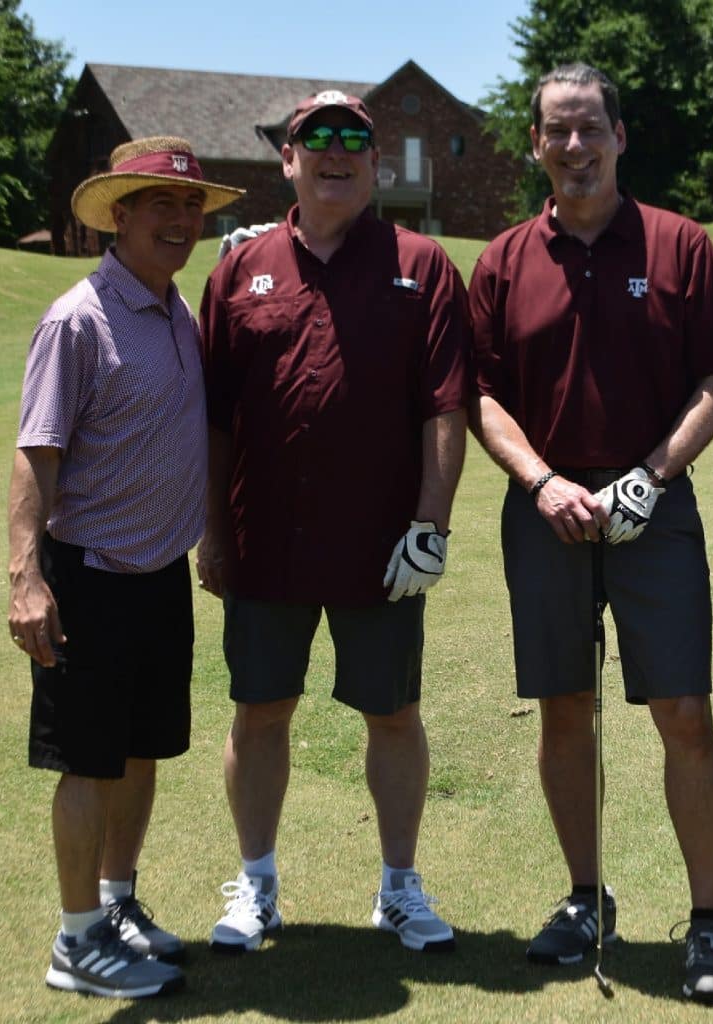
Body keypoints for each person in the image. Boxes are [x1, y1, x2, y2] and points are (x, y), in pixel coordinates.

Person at [469, 63, 713, 1004]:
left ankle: (707, 923)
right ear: (536, 143)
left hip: (652, 511)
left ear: (620, 136)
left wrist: (653, 478)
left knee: (682, 713)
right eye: (558, 131)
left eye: (591, 129)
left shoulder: (679, 245)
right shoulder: (504, 258)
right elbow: (483, 394)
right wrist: (542, 482)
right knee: (563, 710)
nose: (575, 146)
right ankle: (587, 898)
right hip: (544, 510)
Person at [198, 90, 469, 955]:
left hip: (382, 543)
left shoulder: (420, 264)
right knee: (259, 710)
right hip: (266, 536)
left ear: (376, 162)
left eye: (355, 138)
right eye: (317, 139)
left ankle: (398, 888)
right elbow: (214, 417)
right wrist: (212, 530)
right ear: (288, 159)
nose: (337, 152)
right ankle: (258, 885)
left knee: (393, 713)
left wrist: (431, 525)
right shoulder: (239, 271)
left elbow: (444, 407)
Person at [8, 137, 243, 998]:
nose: (181, 220)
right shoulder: (81, 317)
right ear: (120, 216)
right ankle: (76, 944)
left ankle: (117, 903)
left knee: (141, 753)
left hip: (157, 576)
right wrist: (26, 578)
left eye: (190, 207)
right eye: (160, 205)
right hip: (89, 574)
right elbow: (37, 453)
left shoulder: (176, 310)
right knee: (87, 762)